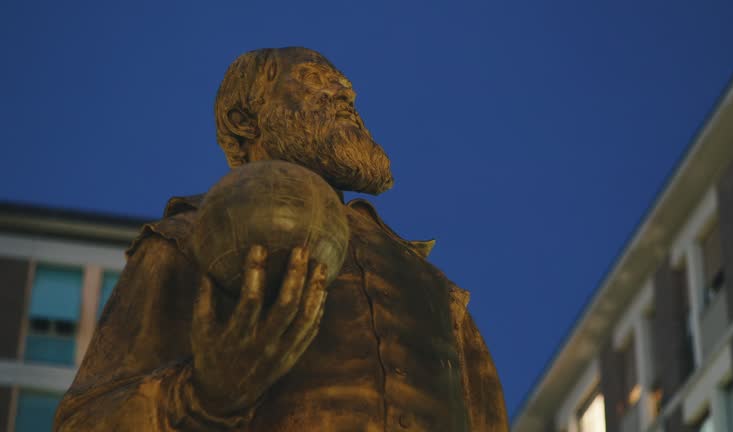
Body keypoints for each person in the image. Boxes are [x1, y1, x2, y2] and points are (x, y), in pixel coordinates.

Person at [54, 47, 509, 431]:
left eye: (345, 85)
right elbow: (84, 420)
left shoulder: (429, 285)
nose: (346, 94)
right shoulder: (187, 240)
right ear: (245, 120)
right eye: (315, 80)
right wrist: (200, 396)